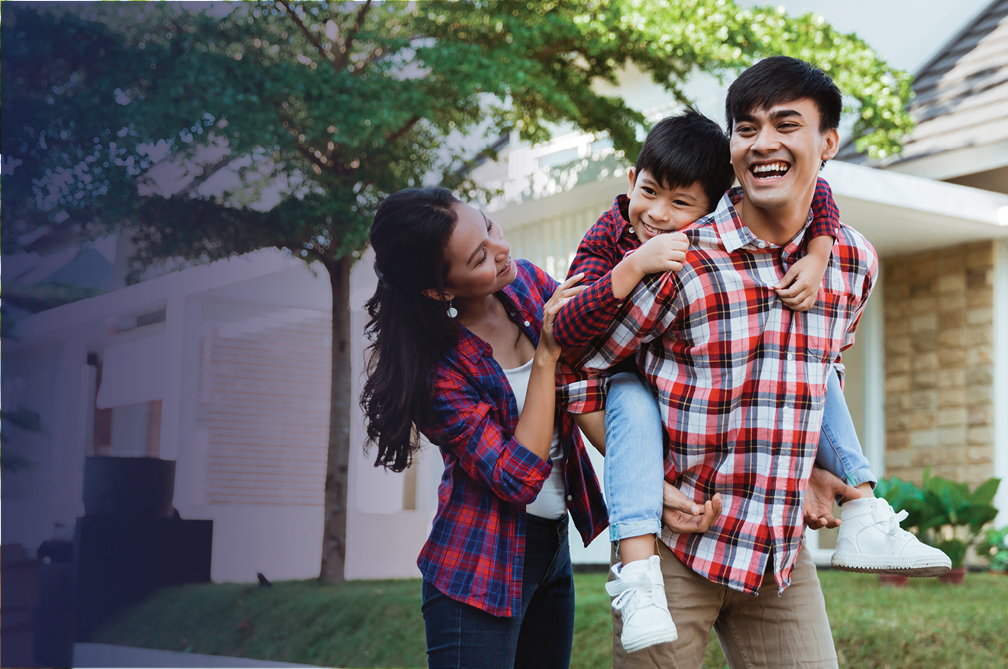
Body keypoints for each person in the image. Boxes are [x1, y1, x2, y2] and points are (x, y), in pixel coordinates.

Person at [561, 57, 948, 667]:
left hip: (776, 550)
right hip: (672, 550)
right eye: (746, 128)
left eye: (786, 124)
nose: (764, 142)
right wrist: (645, 486)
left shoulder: (850, 261)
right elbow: (583, 370)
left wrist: (824, 465)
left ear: (828, 143)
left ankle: (865, 511)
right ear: (732, 149)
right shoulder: (681, 257)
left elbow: (823, 369)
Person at [359, 187, 614, 669]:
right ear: (439, 289)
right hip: (478, 568)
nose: (501, 250)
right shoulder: (438, 373)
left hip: (552, 550)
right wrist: (546, 353)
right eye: (479, 257)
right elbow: (519, 477)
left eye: (489, 226)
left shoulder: (528, 288)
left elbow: (593, 371)